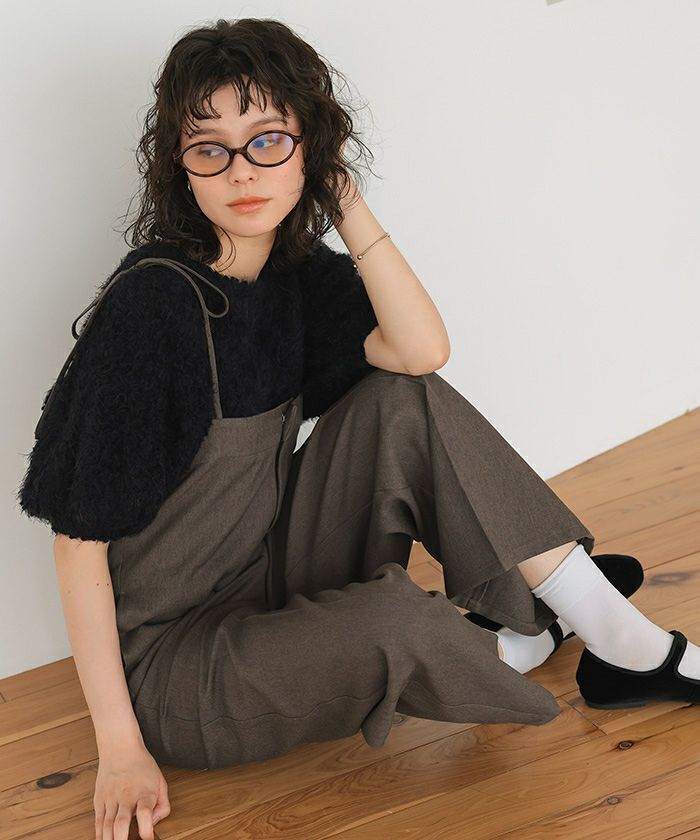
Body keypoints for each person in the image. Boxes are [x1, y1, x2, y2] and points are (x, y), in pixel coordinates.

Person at [16, 16, 700, 840]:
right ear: (180, 167)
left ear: (311, 147)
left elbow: (420, 351)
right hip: (180, 668)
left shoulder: (292, 275)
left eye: (269, 140)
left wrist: (344, 202)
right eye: (210, 149)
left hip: (271, 567)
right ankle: (528, 633)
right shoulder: (153, 308)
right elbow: (77, 542)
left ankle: (612, 633)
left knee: (402, 399)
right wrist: (120, 748)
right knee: (393, 621)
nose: (242, 171)